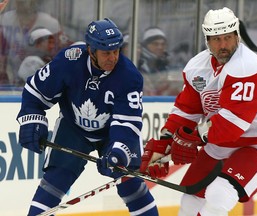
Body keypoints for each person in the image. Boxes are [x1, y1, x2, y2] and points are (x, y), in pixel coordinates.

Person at [139, 7, 257, 216]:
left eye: (228, 38)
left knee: (219, 195)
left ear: (237, 36)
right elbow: (186, 110)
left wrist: (191, 138)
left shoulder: (246, 67)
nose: (223, 45)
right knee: (190, 199)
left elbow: (230, 127)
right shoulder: (197, 68)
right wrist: (164, 142)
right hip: (220, 143)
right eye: (216, 39)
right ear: (207, 40)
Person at [16, 18, 158, 216]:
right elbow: (35, 92)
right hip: (74, 128)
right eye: (106, 53)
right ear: (90, 50)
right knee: (55, 180)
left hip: (112, 132)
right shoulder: (69, 61)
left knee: (130, 185)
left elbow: (127, 123)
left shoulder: (129, 76)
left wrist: (118, 153)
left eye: (116, 51)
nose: (113, 58)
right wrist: (31, 118)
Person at [0, 0, 63, 86]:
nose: (22, 2)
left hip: (42, 83)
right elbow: (2, 55)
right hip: (10, 85)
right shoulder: (5, 20)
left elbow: (59, 59)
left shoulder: (51, 24)